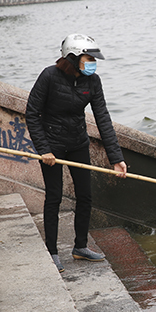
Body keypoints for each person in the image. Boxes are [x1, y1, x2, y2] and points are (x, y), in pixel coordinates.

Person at [25, 33, 127, 273]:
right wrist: (44, 150)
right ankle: (52, 252)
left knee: (85, 196)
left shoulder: (93, 82)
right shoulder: (49, 76)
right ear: (71, 57)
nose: (93, 62)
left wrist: (116, 159)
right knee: (54, 197)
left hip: (78, 143)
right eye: (88, 58)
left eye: (94, 58)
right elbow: (32, 113)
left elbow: (103, 118)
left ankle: (80, 247)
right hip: (52, 146)